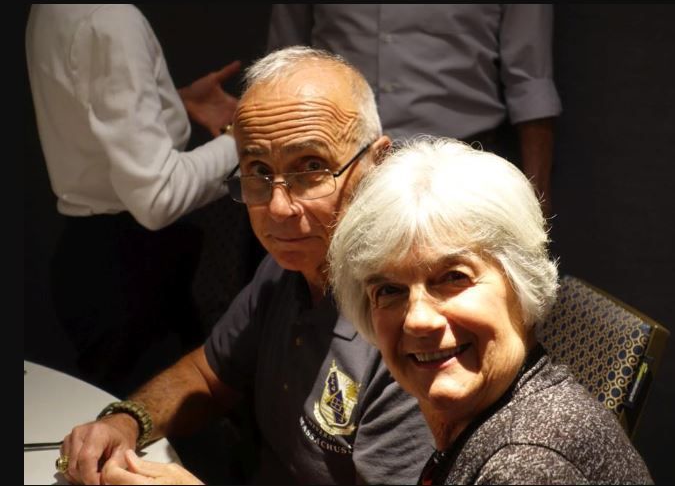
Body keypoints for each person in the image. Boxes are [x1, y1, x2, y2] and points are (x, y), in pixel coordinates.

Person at [57, 46, 434, 486]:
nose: (278, 208)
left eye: (311, 167)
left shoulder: (412, 322)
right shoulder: (284, 270)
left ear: (377, 163)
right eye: (258, 170)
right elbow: (208, 373)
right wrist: (126, 420)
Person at [327, 137, 654, 484]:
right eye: (390, 290)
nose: (418, 320)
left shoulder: (527, 467)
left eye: (453, 277)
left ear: (521, 282)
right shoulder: (492, 423)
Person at [26, 4, 241, 397]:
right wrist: (244, 139)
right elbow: (158, 197)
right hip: (130, 278)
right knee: (148, 426)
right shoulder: (110, 18)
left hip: (93, 260)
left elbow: (85, 102)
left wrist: (168, 102)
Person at [267, 4, 561, 218]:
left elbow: (531, 82)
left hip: (462, 170)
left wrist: (537, 206)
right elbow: (282, 66)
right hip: (337, 171)